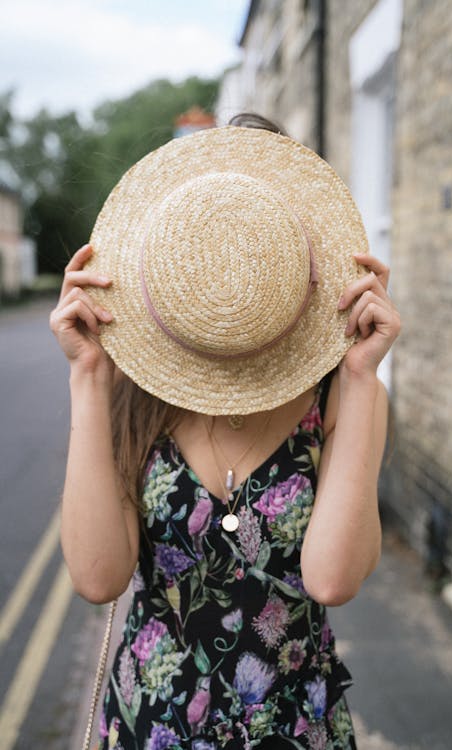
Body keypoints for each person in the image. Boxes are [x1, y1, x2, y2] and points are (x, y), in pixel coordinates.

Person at [50, 116, 400, 750]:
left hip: (294, 727)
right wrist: (88, 377)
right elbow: (99, 578)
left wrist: (360, 377)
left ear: (306, 260)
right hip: (153, 723)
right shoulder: (133, 395)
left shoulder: (341, 391)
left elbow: (332, 580)